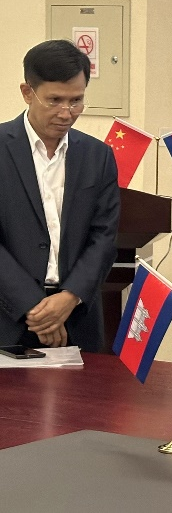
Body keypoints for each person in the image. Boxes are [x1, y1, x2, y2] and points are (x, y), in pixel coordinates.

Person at [0, 40, 119, 351]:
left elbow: (104, 236)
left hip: (77, 318)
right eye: (54, 100)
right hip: (8, 317)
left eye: (76, 101)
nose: (66, 113)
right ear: (27, 92)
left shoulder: (98, 156)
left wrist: (69, 297)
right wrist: (35, 308)